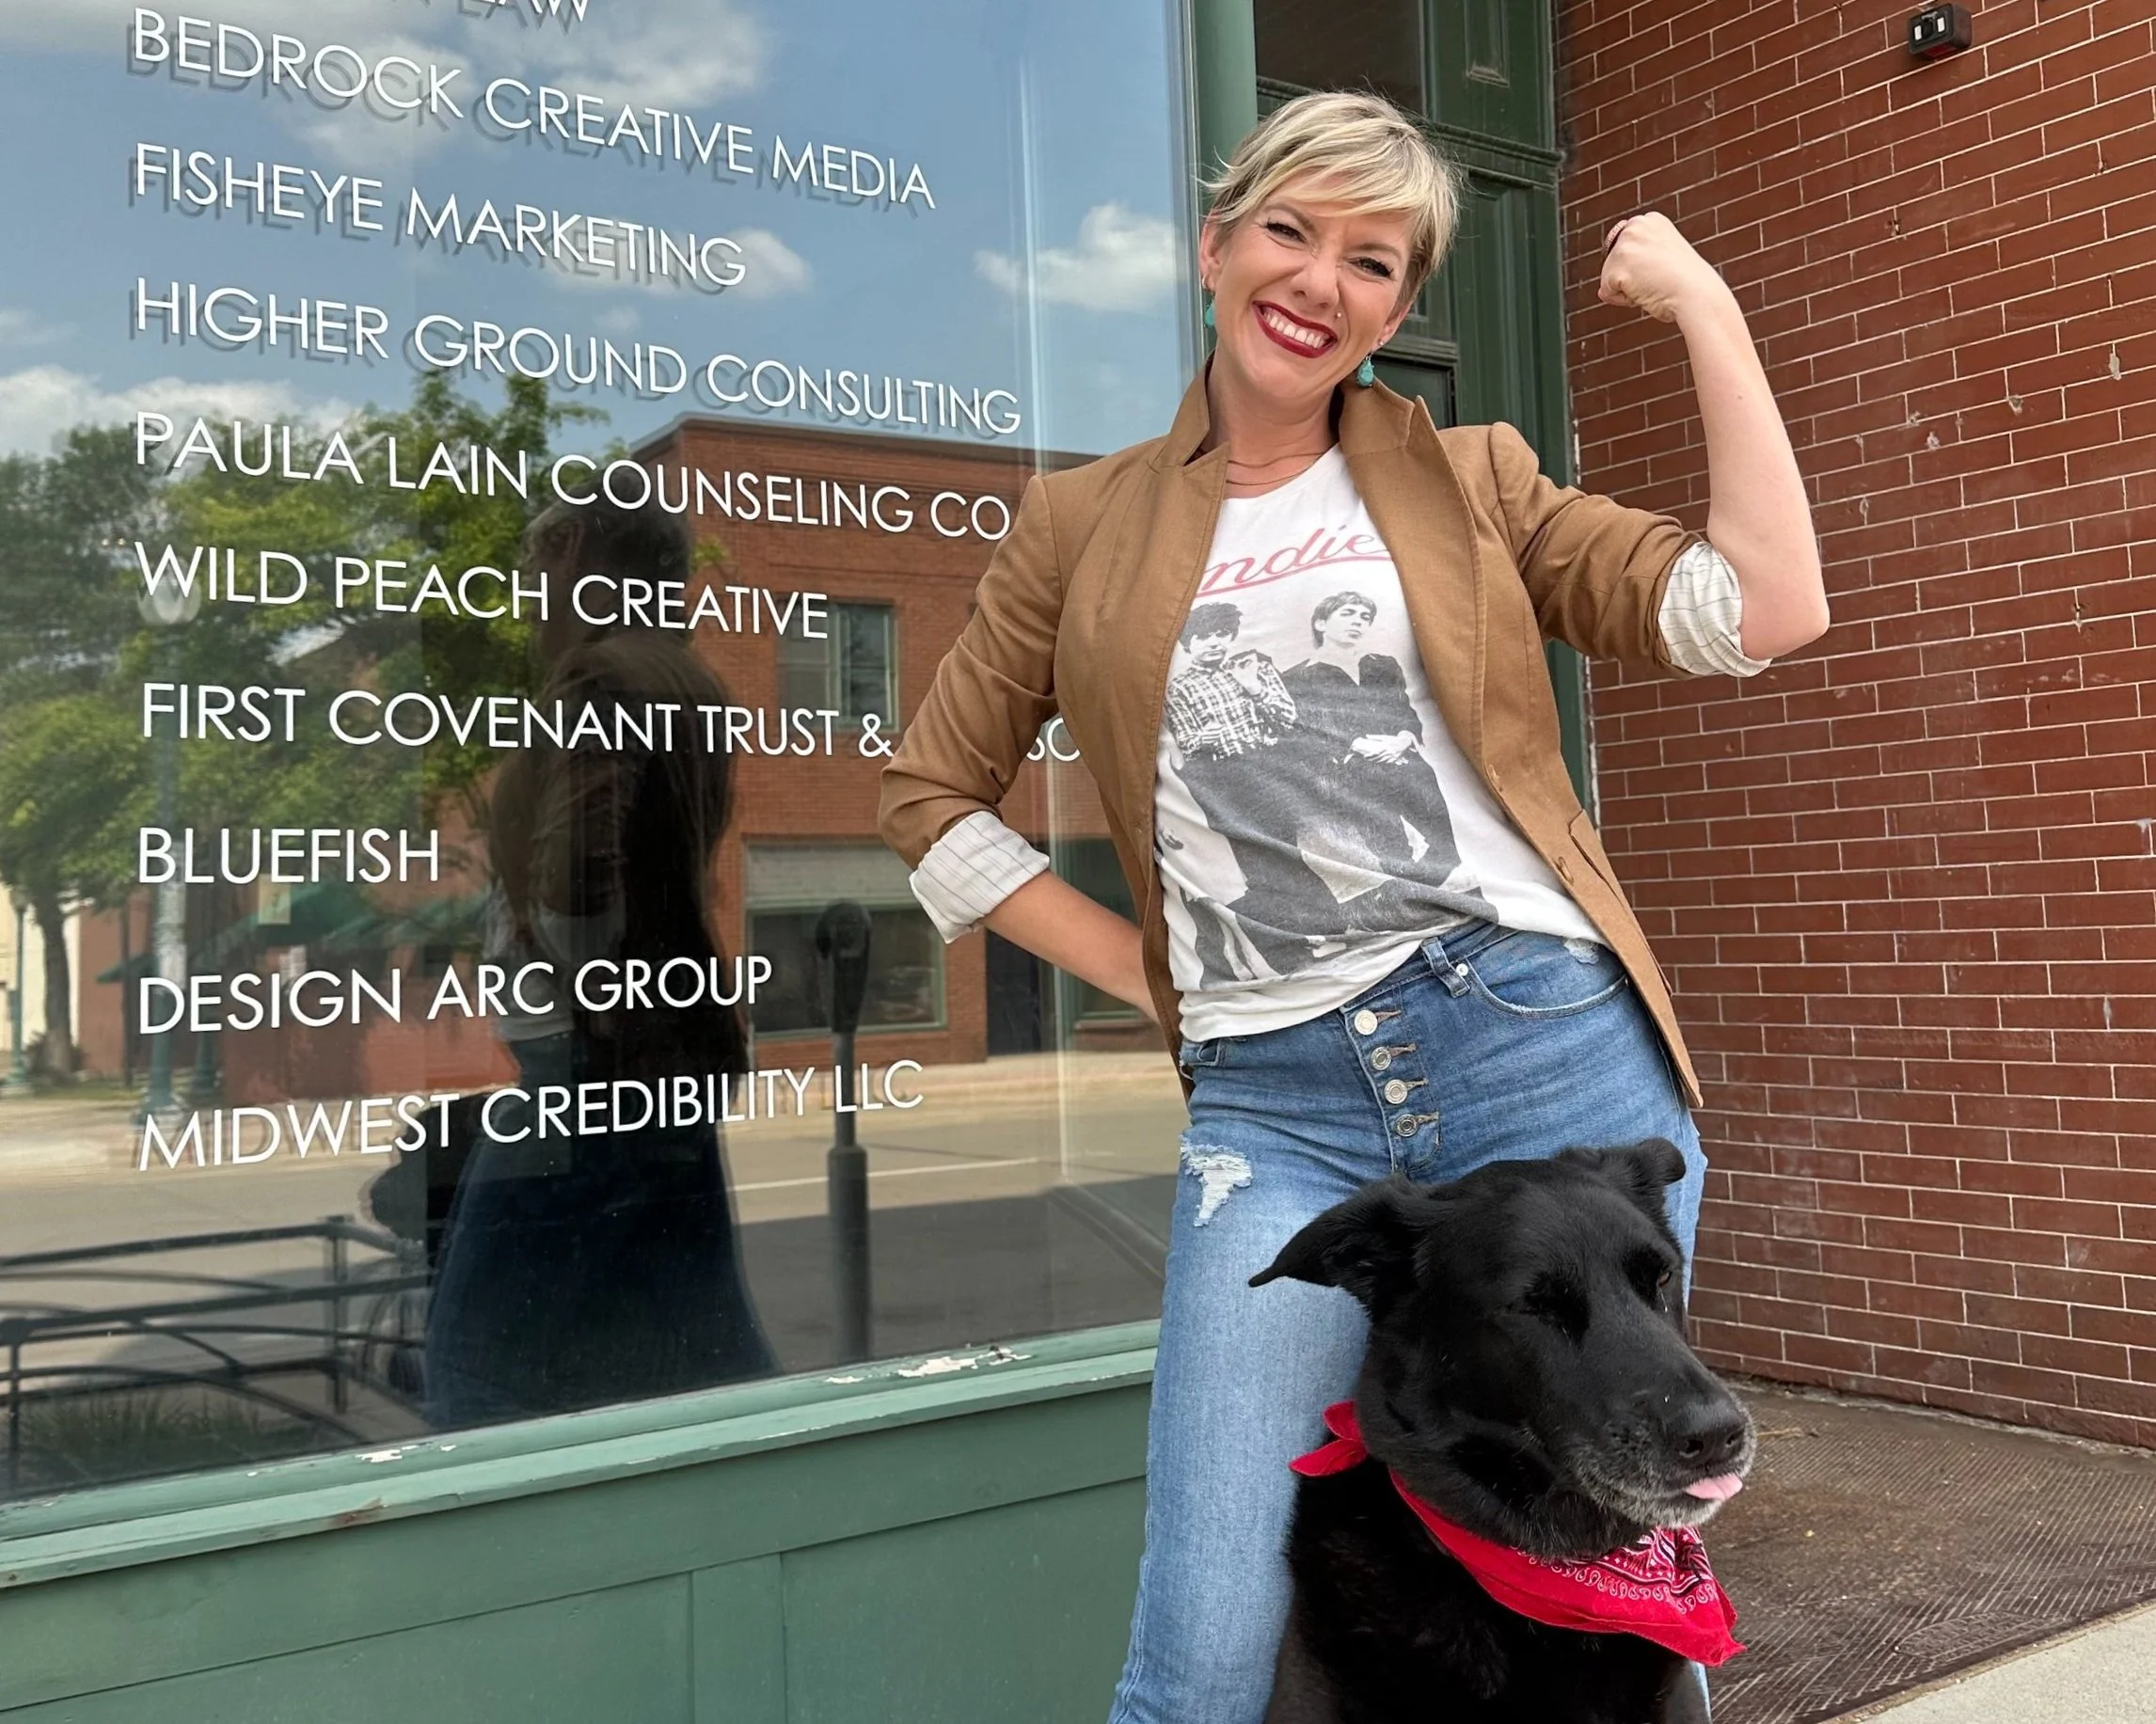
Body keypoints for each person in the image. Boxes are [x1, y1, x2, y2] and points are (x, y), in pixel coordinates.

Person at [879, 89, 1825, 1724]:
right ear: (1214, 243)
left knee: (1613, 1587)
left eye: (1373, 260)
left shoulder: (1472, 479)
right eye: (1290, 230)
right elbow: (924, 801)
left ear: (1397, 308)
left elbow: (1763, 604)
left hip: (1539, 1050)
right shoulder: (1079, 524)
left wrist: (1703, 306)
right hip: (1278, 1102)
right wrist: (1147, 969)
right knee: (1201, 1644)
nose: (1320, 279)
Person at [425, 495, 776, 1426]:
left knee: (473, 1362)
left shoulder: (603, 679)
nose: (531, 602)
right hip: (667, 1062)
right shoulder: (691, 681)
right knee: (703, 1354)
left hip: (589, 1073)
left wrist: (590, 999)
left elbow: (582, 876)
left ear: (572, 549)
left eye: (535, 575)